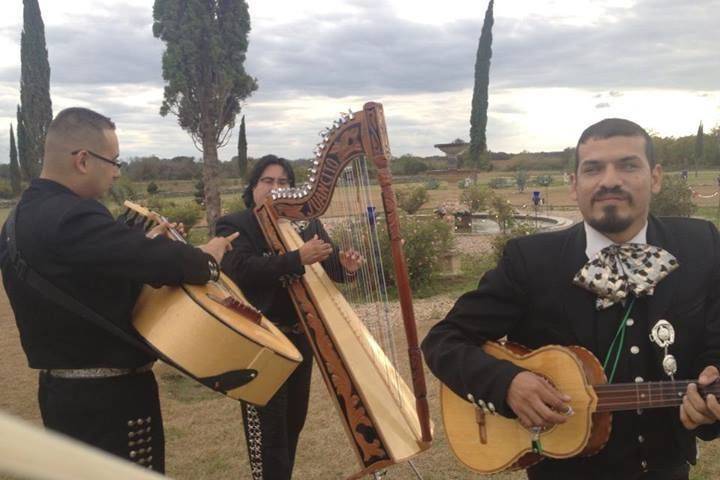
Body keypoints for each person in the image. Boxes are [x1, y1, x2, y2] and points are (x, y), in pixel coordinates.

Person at [422, 118, 720, 480]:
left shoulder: (701, 244)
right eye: (593, 168)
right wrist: (507, 383)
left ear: (655, 177)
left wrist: (710, 399)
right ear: (575, 184)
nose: (610, 180)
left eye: (628, 165)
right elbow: (444, 341)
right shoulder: (530, 261)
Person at [0, 107, 238, 473]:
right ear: (82, 160)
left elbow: (87, 279)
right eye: (113, 161)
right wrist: (206, 256)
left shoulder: (19, 219)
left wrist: (141, 250)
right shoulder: (74, 215)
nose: (115, 171)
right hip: (111, 405)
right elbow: (168, 263)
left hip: (61, 396)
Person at [215, 154, 362, 480]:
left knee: (293, 423)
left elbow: (327, 264)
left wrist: (346, 268)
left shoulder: (307, 224)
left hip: (300, 339)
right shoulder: (234, 225)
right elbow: (242, 270)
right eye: (267, 181)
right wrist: (297, 258)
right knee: (268, 434)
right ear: (253, 187)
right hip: (260, 342)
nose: (275, 188)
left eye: (283, 183)